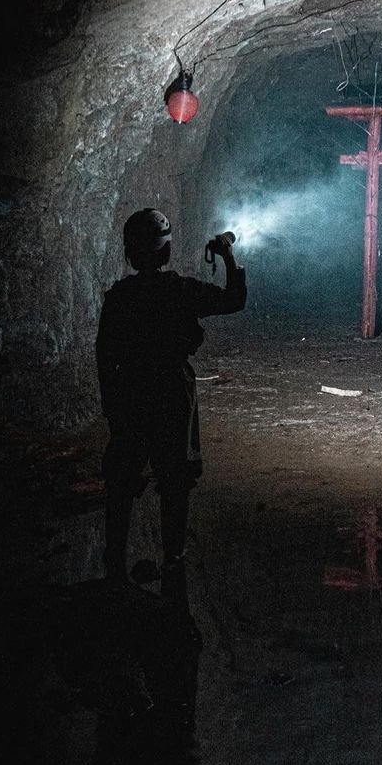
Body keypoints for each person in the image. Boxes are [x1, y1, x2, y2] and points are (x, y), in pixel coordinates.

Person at [96, 208, 246, 601]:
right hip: (170, 394)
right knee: (175, 480)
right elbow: (234, 300)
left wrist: (112, 406)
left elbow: (104, 357)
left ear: (130, 253)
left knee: (122, 479)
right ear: (165, 252)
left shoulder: (119, 298)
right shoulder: (180, 292)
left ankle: (114, 562)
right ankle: (173, 558)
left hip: (130, 393)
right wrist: (228, 255)